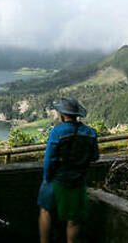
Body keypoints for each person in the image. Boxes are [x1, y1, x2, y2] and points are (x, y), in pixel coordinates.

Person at [38, 97, 99, 243]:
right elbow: (95, 156)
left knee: (46, 211)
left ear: (63, 114)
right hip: (78, 181)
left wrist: (47, 179)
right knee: (74, 220)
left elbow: (49, 161)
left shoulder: (57, 132)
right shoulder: (90, 133)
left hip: (56, 180)